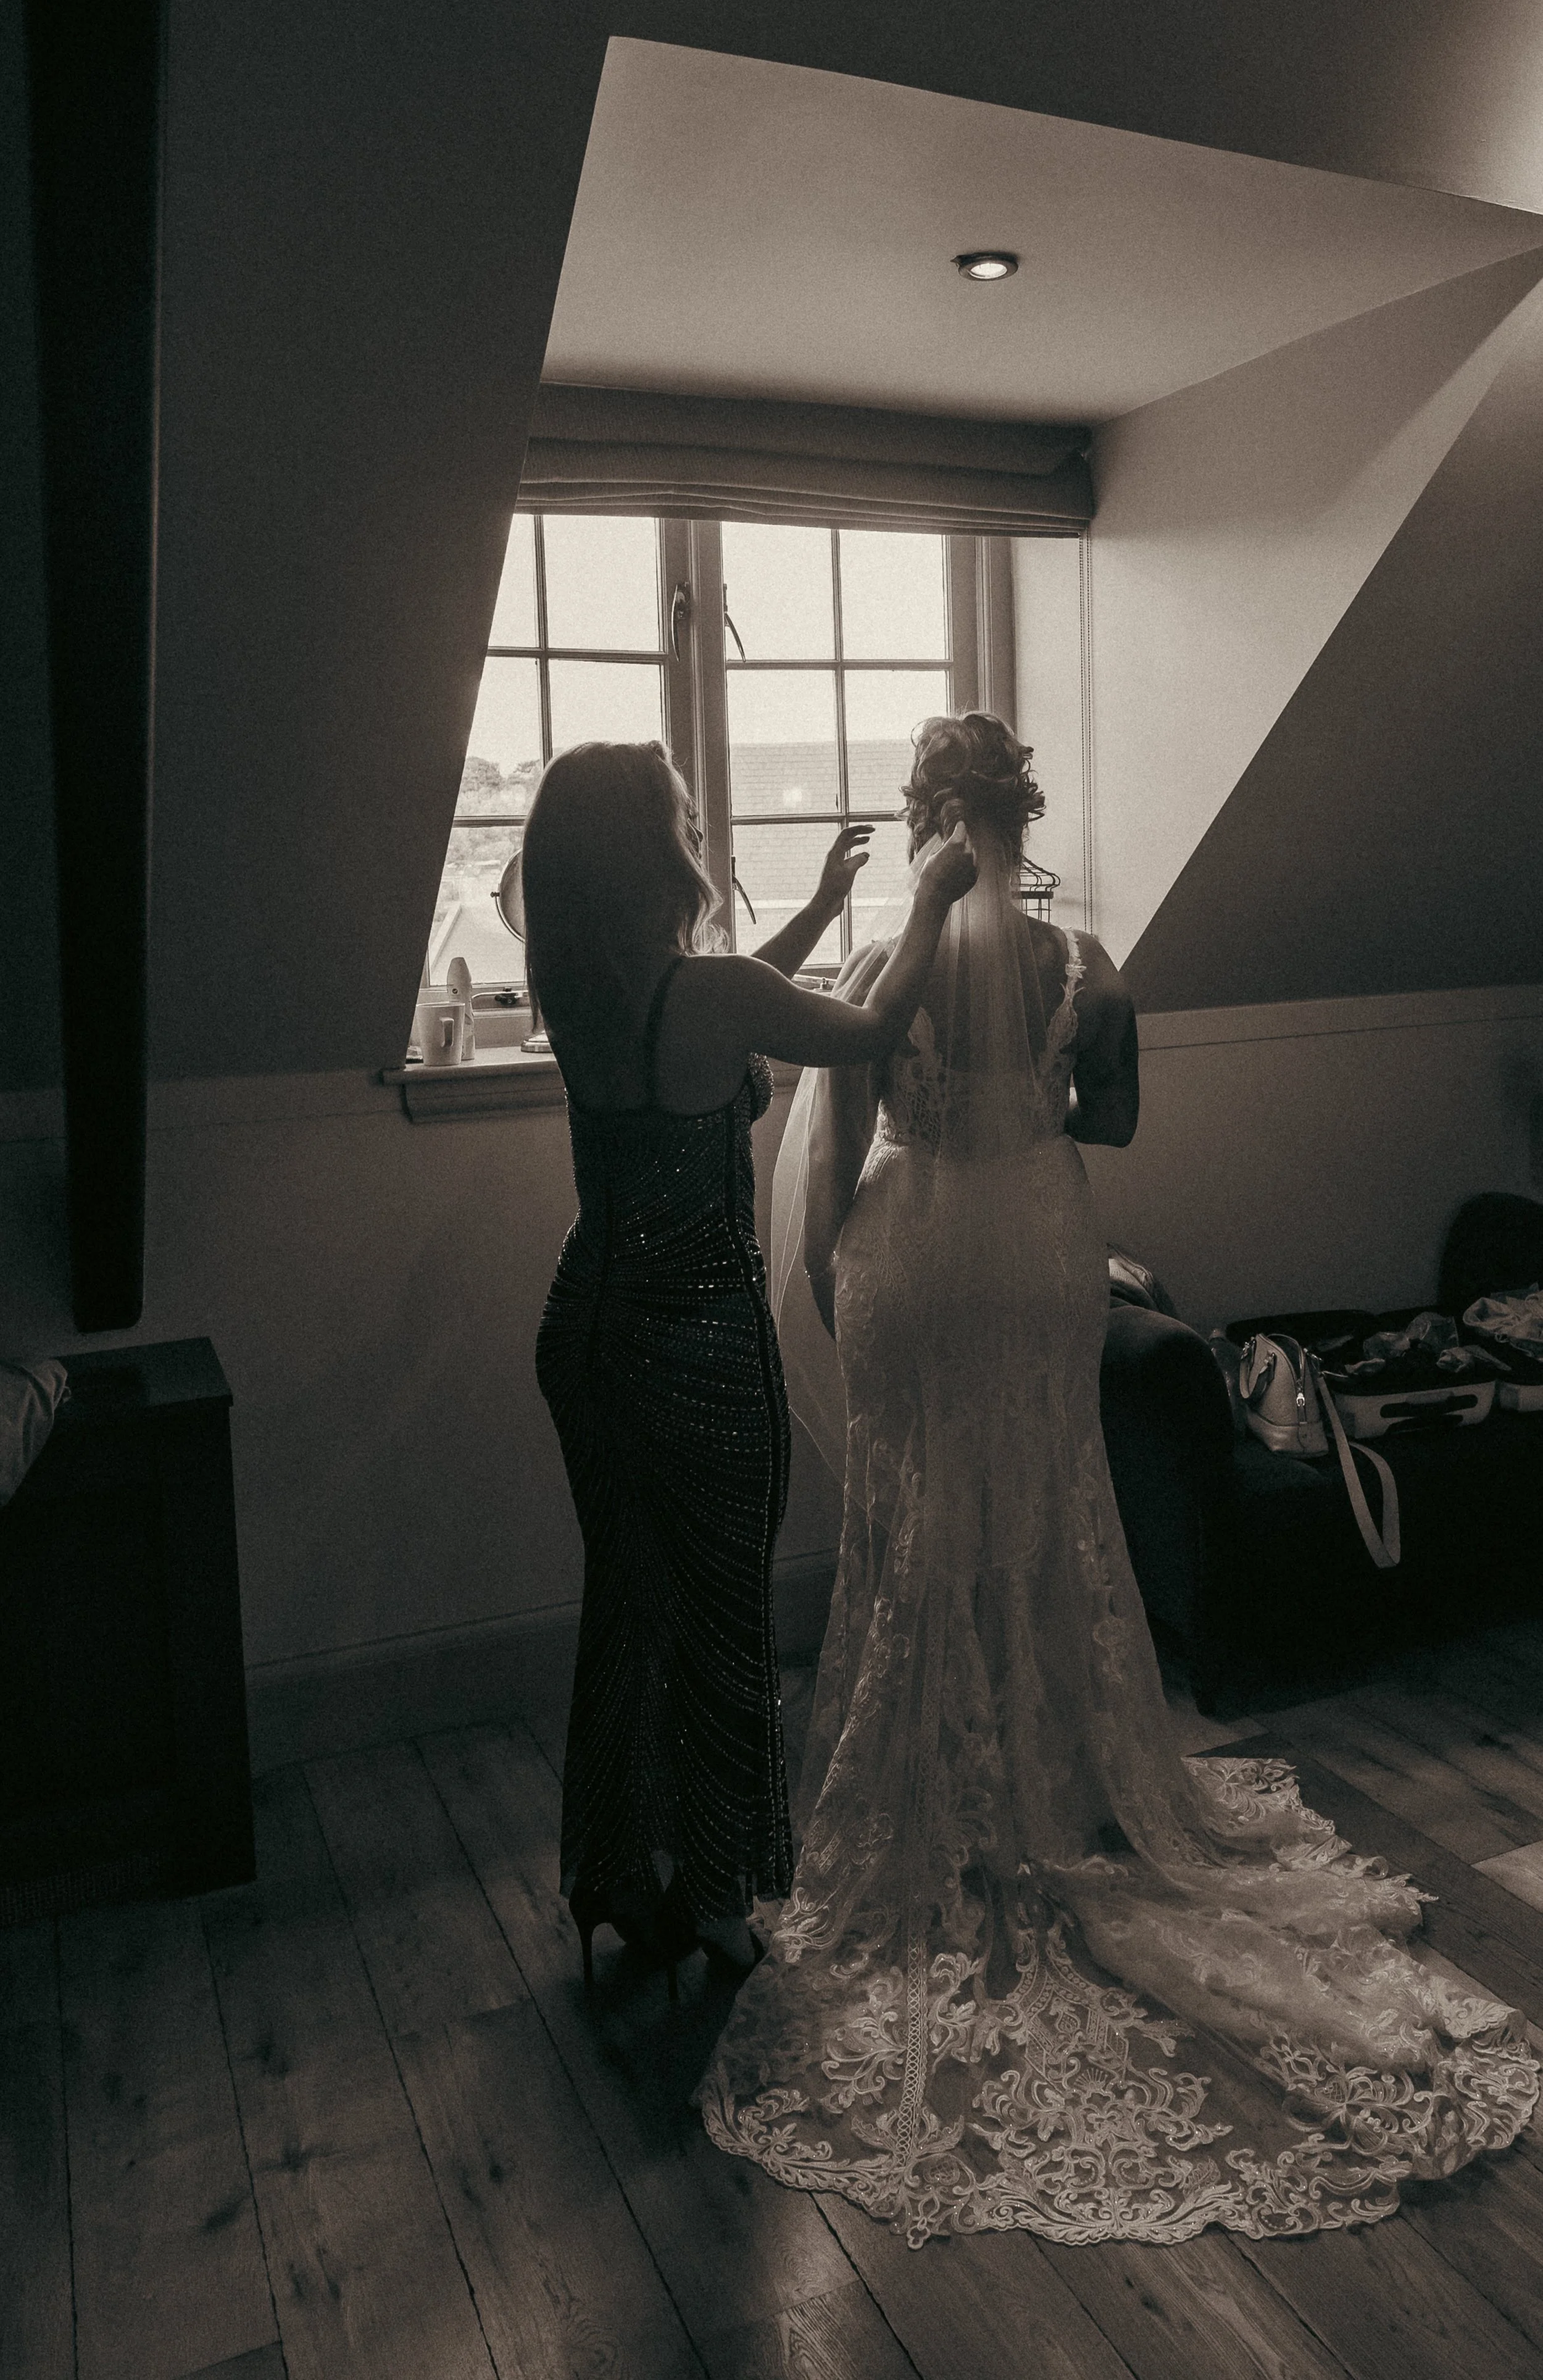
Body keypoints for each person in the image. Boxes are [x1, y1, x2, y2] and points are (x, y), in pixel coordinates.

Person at [699, 711, 1537, 2244]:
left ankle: (929, 1792)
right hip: (1036, 1249)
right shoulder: (1085, 967)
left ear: (924, 819)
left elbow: (830, 1138)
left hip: (912, 1249)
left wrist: (829, 1276)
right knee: (1041, 1511)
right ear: (1022, 820)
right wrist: (1033, 1106)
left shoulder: (888, 965)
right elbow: (1117, 1124)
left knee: (910, 1524)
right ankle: (1062, 1774)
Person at [524, 739, 976, 1989]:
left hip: (587, 1330)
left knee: (625, 1602)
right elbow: (869, 1024)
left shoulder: (579, 980)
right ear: (651, 845)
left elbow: (709, 1006)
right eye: (678, 809)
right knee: (724, 1619)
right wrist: (931, 899)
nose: (691, 821)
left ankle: (613, 1872)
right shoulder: (704, 993)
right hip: (695, 1338)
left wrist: (822, 910)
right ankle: (719, 1896)